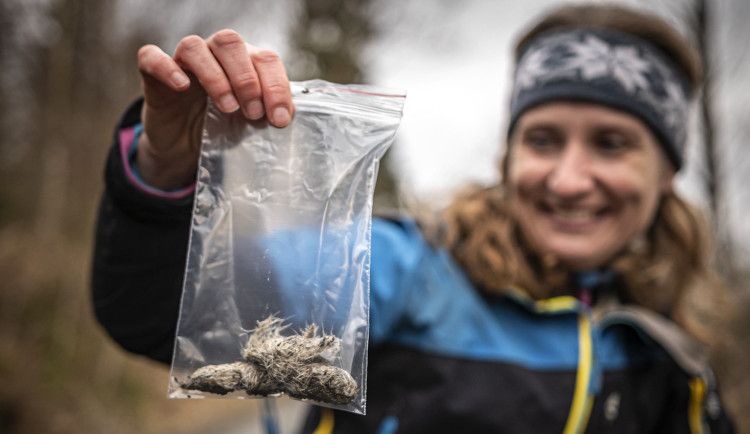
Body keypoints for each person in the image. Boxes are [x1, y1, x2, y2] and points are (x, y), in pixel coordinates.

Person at [91, 3, 736, 433]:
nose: (568, 179)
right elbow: (157, 313)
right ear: (507, 156)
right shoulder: (398, 274)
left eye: (612, 144)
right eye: (543, 140)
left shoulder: (679, 360)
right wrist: (168, 172)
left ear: (667, 173)